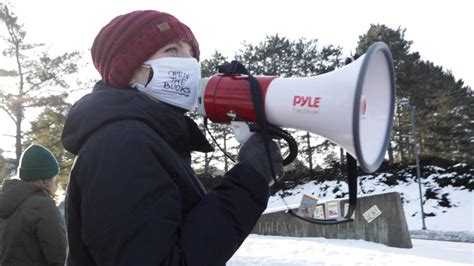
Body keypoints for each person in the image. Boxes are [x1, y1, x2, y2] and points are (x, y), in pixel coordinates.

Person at [61, 10, 284, 266]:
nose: (188, 63)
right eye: (172, 50)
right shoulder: (121, 145)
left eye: (191, 53)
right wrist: (247, 182)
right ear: (130, 69)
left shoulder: (144, 140)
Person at [0, 144, 67, 266]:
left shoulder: (6, 202)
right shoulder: (43, 206)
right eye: (54, 178)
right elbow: (59, 257)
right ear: (45, 180)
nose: (56, 183)